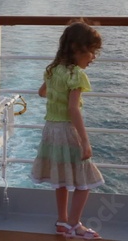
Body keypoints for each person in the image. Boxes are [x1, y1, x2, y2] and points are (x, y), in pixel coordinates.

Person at [31, 19, 105, 239]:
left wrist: (55, 92)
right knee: (87, 180)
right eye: (91, 52)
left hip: (50, 130)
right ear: (77, 49)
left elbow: (41, 92)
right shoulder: (76, 75)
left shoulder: (53, 70)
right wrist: (85, 141)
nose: (93, 58)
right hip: (67, 131)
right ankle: (75, 224)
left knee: (60, 178)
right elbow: (73, 109)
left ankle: (62, 222)